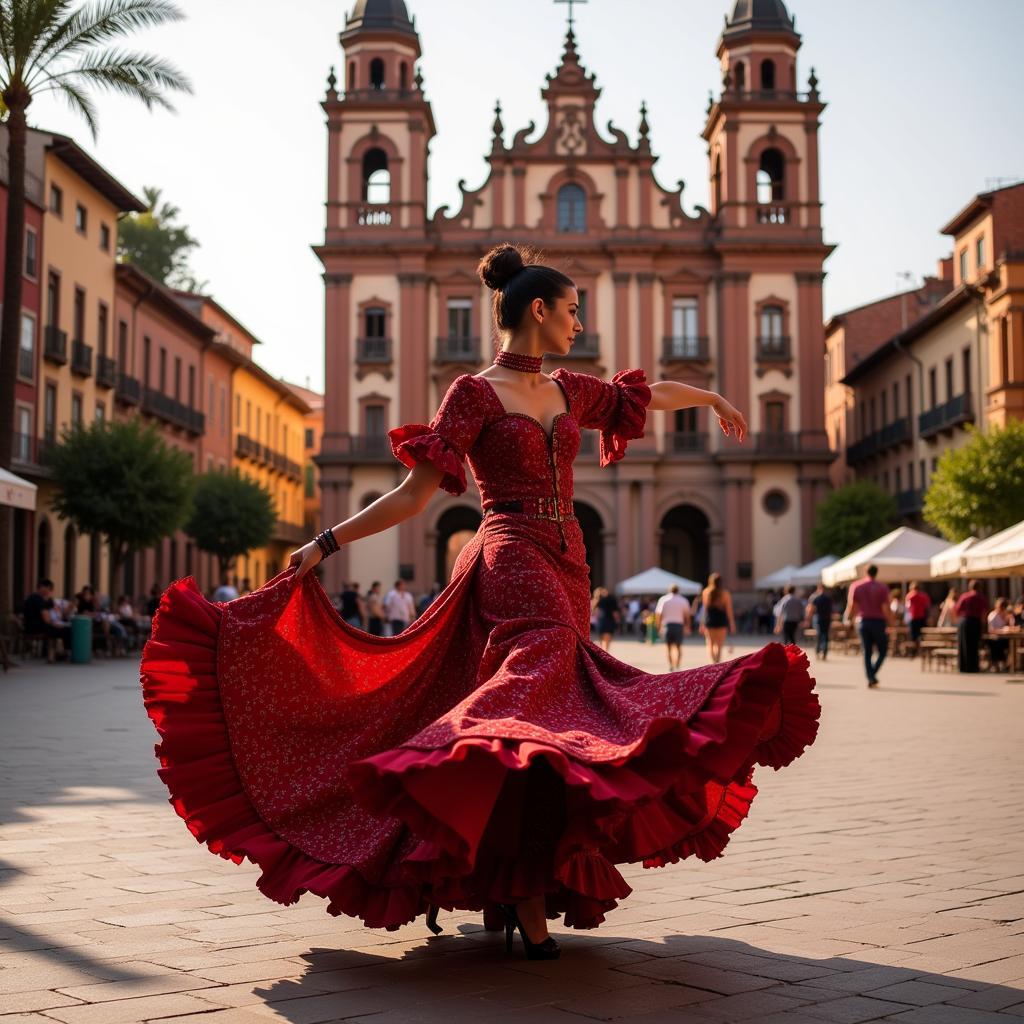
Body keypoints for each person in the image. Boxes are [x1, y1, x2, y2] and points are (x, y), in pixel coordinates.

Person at [141, 242, 817, 961]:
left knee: (548, 728)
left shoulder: (567, 389)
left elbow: (637, 398)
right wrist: (326, 543)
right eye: (571, 311)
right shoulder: (472, 393)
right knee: (539, 691)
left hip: (570, 565)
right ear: (538, 309)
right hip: (511, 554)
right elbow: (412, 494)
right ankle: (510, 869)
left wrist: (710, 397)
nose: (578, 324)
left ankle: (516, 872)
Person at [844, 564, 893, 687]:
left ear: (866, 572)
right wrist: (891, 622)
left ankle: (871, 676)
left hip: (863, 621)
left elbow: (852, 606)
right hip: (878, 622)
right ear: (876, 573)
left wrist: (849, 620)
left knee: (867, 651)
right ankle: (872, 674)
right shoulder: (882, 587)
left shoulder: (856, 586)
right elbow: (886, 608)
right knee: (883, 651)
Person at [22, 579, 71, 662]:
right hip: (37, 627)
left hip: (31, 626)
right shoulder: (38, 599)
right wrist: (56, 624)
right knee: (66, 630)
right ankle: (59, 653)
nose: (49, 591)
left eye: (50, 589)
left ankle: (57, 653)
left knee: (62, 628)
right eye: (49, 589)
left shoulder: (35, 598)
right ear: (43, 588)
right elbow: (47, 619)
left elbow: (57, 613)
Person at [954, 580, 988, 673]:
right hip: (975, 622)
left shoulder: (965, 596)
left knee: (963, 644)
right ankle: (973, 666)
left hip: (964, 621)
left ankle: (963, 667)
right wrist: (984, 626)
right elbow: (984, 613)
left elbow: (957, 609)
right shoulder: (981, 598)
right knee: (974, 645)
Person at [700, 572, 735, 664]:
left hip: (710, 619)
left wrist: (701, 623)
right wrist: (731, 623)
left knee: (710, 643)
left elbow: (704, 610)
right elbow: (729, 610)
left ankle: (713, 662)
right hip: (721, 620)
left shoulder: (706, 592)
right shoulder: (725, 593)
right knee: (719, 645)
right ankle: (717, 663)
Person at [654, 584, 691, 671]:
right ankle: (677, 664)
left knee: (668, 647)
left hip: (667, 625)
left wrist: (658, 626)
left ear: (669, 590)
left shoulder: (663, 599)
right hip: (679, 625)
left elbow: (658, 614)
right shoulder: (683, 600)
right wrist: (687, 626)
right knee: (678, 647)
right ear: (678, 591)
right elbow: (687, 615)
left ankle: (671, 665)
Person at [805, 584, 833, 660]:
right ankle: (824, 653)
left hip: (818, 619)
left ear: (819, 588)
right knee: (825, 636)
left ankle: (818, 651)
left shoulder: (816, 598)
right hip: (827, 619)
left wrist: (808, 620)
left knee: (819, 635)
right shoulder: (828, 598)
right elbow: (831, 610)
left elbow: (811, 609)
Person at [905, 581, 932, 657]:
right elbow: (927, 607)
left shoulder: (909, 596)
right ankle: (922, 651)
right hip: (922, 618)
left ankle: (913, 652)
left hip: (913, 619)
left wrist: (906, 620)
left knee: (913, 637)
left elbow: (907, 608)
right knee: (922, 636)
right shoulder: (924, 596)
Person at [986, 598, 1013, 672]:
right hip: (994, 638)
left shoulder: (1005, 615)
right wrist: (1002, 630)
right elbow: (991, 630)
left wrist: (1009, 619)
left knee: (1011, 644)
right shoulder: (993, 615)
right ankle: (1000, 664)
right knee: (997, 644)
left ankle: (1009, 664)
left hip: (1004, 638)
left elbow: (1010, 625)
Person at [592, 586, 620, 651]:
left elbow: (594, 612)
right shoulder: (612, 599)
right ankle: (605, 652)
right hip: (609, 620)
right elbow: (615, 612)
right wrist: (617, 621)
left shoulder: (598, 600)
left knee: (601, 638)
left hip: (601, 621)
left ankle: (603, 652)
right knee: (607, 638)